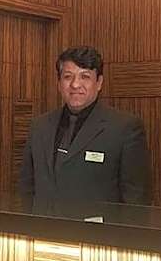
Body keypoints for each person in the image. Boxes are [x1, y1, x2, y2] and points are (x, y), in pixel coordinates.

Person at [19, 46, 151, 207]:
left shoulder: (125, 128)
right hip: (42, 223)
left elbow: (136, 199)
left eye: (85, 77)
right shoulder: (39, 126)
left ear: (99, 82)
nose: (75, 84)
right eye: (68, 77)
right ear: (59, 83)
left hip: (96, 224)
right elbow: (26, 189)